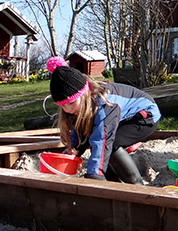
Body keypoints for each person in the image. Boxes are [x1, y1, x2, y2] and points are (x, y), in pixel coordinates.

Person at [47, 56, 161, 184]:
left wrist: (94, 176)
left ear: (83, 94)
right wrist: (74, 150)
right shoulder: (81, 105)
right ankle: (115, 183)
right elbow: (81, 131)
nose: (67, 109)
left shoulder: (104, 103)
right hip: (123, 117)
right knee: (101, 145)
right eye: (63, 105)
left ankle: (136, 184)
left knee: (110, 144)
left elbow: (102, 139)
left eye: (71, 103)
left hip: (145, 115)